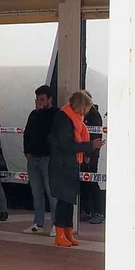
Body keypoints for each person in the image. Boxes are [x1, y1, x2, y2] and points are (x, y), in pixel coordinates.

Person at [49, 90, 99, 247]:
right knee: (63, 200)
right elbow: (66, 145)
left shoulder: (75, 119)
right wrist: (90, 145)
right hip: (62, 165)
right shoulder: (63, 118)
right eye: (84, 108)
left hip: (70, 164)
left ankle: (68, 232)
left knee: (69, 200)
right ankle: (60, 234)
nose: (85, 112)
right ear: (79, 105)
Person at [23, 87, 55, 235]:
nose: (39, 102)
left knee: (51, 192)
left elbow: (50, 132)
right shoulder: (33, 115)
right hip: (33, 158)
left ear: (50, 99)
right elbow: (27, 133)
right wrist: (27, 151)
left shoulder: (55, 114)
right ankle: (38, 223)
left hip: (48, 158)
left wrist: (41, 112)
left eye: (42, 99)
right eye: (37, 100)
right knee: (36, 192)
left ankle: (56, 224)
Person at [81, 99, 106, 224]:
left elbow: (95, 137)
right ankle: (86, 210)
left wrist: (88, 154)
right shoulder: (83, 114)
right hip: (82, 151)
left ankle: (98, 212)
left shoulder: (94, 116)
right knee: (83, 182)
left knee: (92, 182)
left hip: (91, 153)